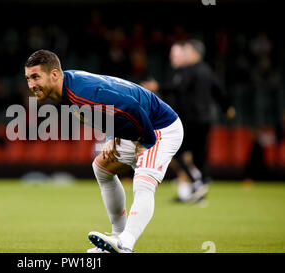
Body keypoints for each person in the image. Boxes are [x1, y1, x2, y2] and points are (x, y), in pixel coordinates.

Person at [24, 50, 183, 253]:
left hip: (159, 128)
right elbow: (111, 102)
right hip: (138, 127)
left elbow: (131, 107)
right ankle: (116, 237)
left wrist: (147, 141)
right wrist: (112, 136)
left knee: (143, 183)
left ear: (54, 74)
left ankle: (125, 244)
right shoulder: (68, 84)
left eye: (36, 77)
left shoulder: (79, 93)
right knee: (102, 168)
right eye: (28, 78)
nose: (31, 85)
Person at [142, 39, 235, 203]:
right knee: (199, 155)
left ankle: (197, 182)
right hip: (206, 119)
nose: (184, 56)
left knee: (175, 152)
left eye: (186, 52)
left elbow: (178, 88)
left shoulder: (188, 71)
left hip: (190, 119)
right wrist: (227, 107)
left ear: (193, 53)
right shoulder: (207, 70)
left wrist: (157, 87)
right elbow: (218, 90)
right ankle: (198, 190)